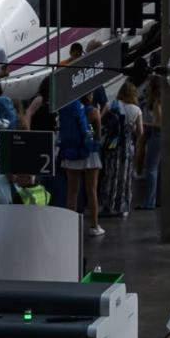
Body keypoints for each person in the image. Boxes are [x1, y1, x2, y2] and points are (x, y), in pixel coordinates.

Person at [59, 93, 104, 236]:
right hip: (89, 153)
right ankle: (94, 226)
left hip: (72, 153)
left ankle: (70, 226)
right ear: (89, 96)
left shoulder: (68, 107)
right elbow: (97, 134)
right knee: (91, 190)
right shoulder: (93, 111)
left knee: (72, 193)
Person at [98, 82, 143, 218]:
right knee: (124, 176)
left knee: (110, 175)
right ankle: (122, 207)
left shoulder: (112, 105)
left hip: (112, 145)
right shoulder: (136, 110)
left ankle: (107, 206)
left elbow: (99, 122)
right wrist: (131, 129)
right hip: (127, 148)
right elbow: (140, 131)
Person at [134, 75, 162, 210]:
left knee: (151, 169)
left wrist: (141, 123)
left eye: (149, 85)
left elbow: (159, 123)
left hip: (157, 135)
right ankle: (154, 200)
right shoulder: (152, 101)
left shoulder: (157, 102)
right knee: (155, 169)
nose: (146, 87)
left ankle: (149, 202)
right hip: (155, 135)